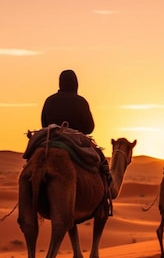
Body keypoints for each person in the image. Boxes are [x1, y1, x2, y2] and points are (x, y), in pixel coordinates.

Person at [40, 69, 112, 209]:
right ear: (75, 83)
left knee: (32, 159)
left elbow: (44, 124)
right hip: (75, 141)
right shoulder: (80, 102)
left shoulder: (49, 100)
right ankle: (104, 201)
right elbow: (90, 127)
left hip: (50, 138)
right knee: (101, 163)